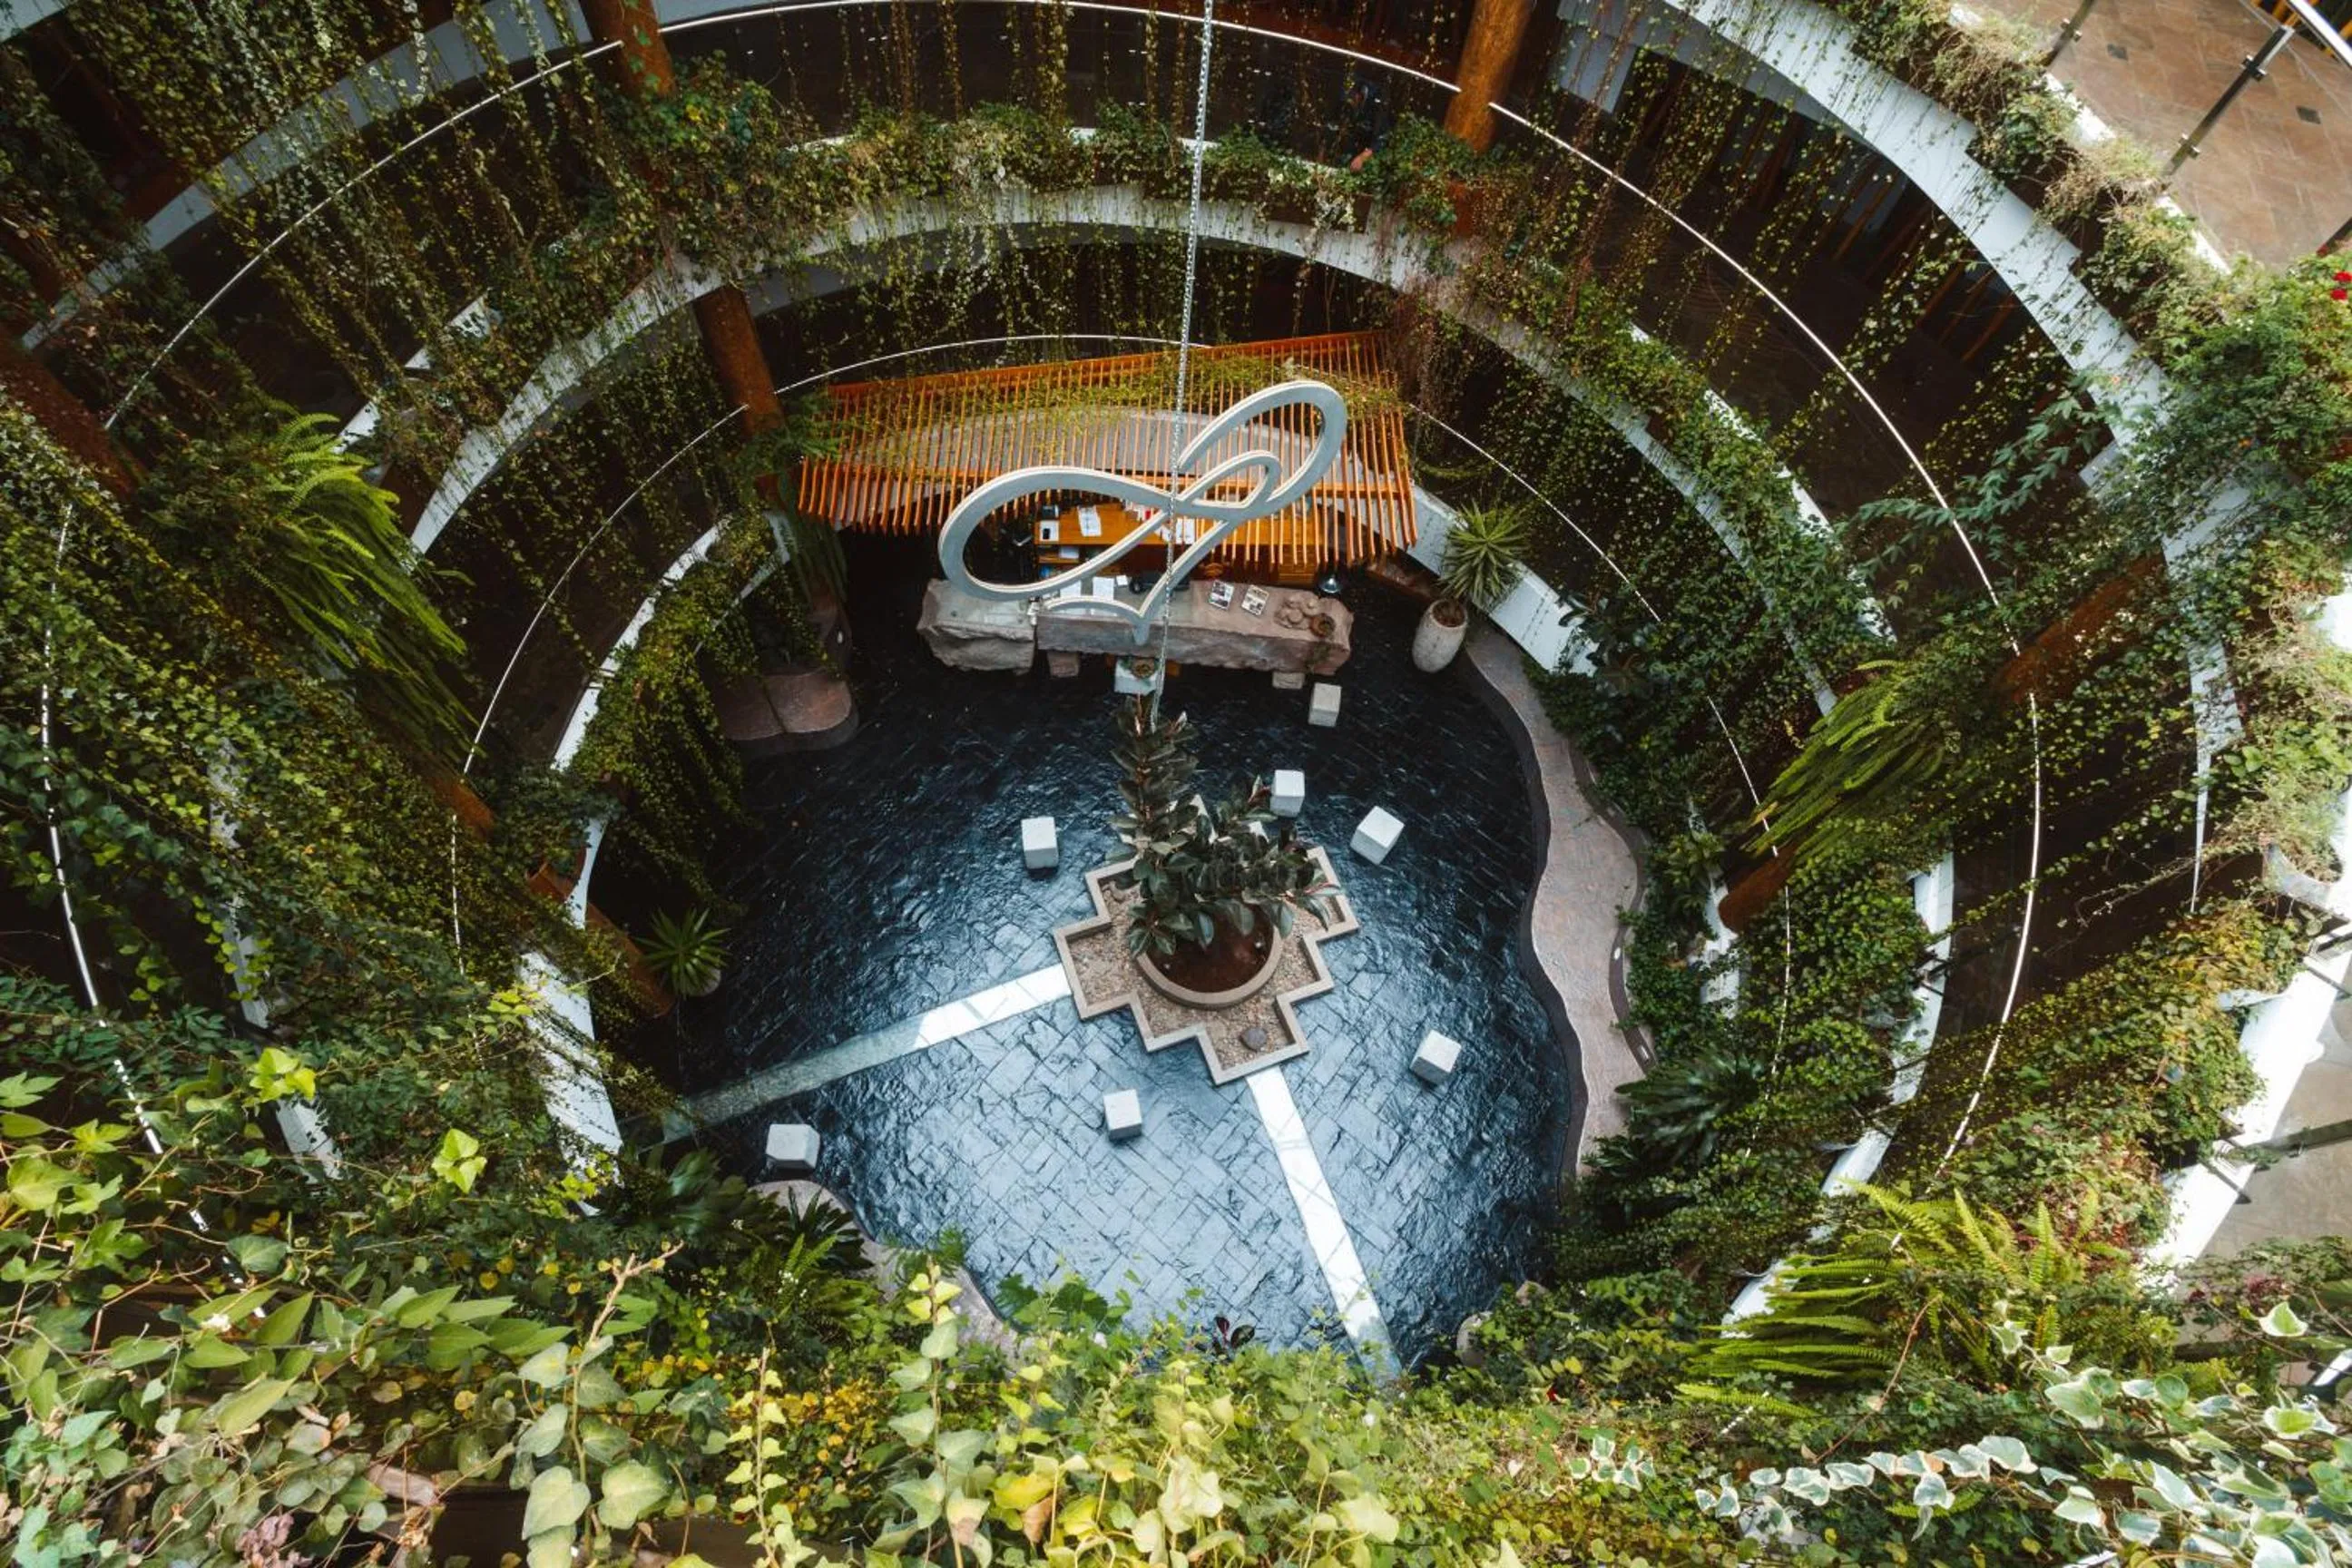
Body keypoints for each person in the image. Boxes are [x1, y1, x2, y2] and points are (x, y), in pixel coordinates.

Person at [1337, 75, 1391, 173]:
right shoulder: (1344, 109)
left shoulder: (1375, 112)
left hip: (1360, 168)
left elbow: (1383, 139)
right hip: (1337, 162)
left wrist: (1363, 157)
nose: (1350, 101)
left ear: (1360, 95)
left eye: (1352, 96)